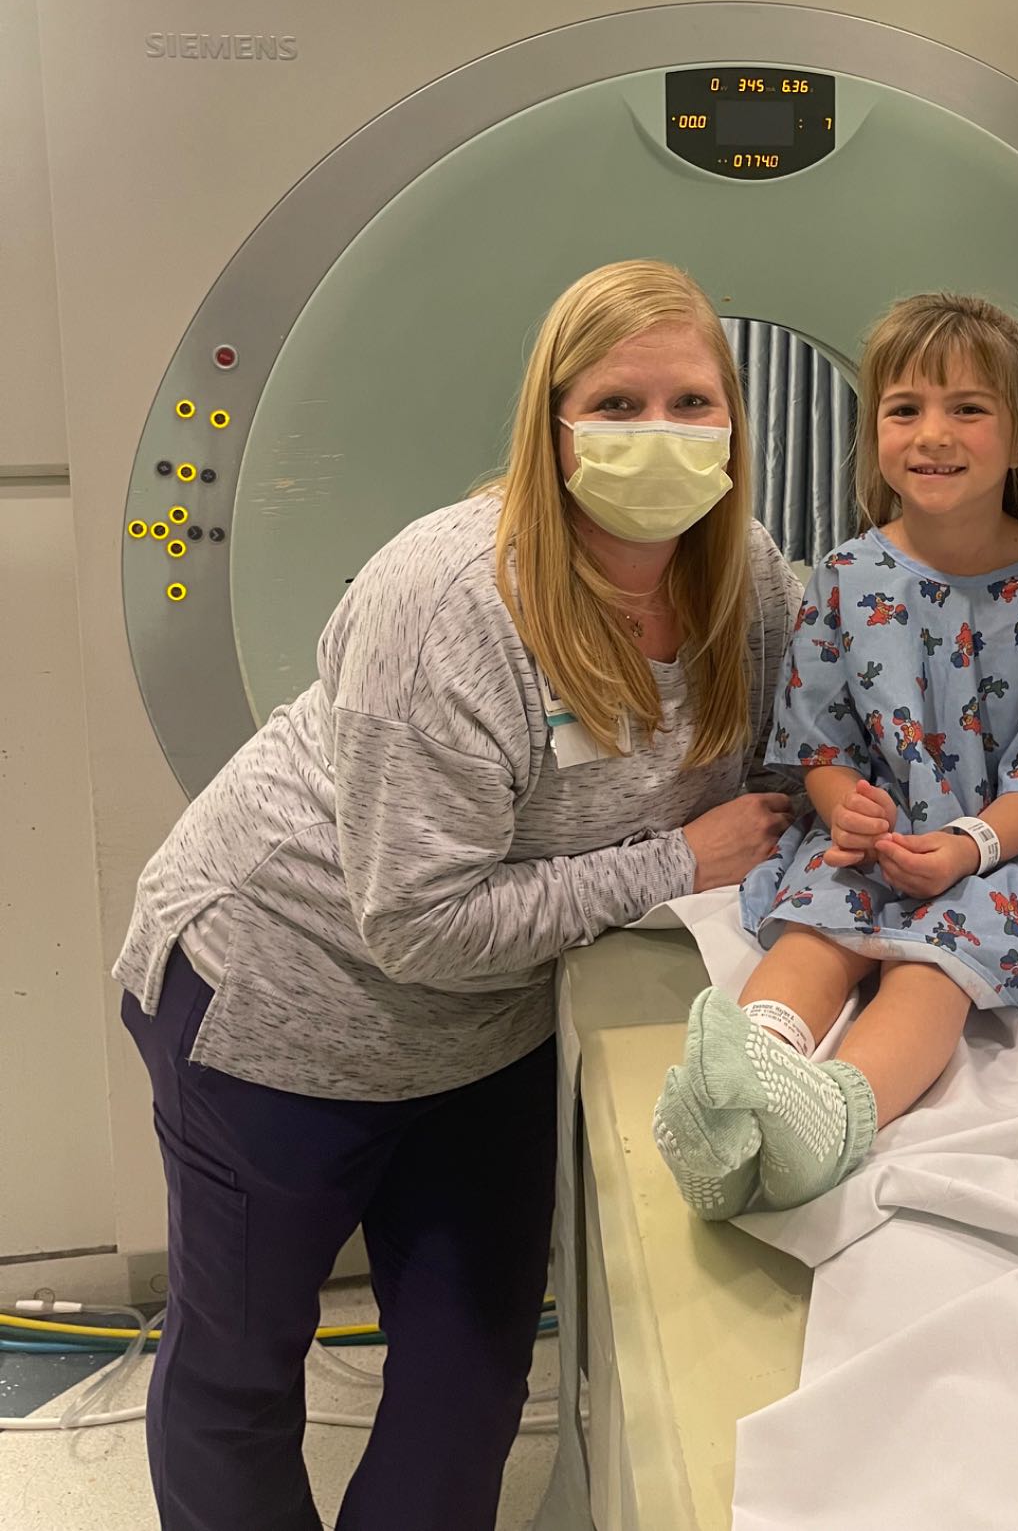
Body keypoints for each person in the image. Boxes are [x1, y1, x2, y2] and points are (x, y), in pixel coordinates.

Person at [114, 260, 799, 1531]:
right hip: (277, 1001)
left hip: (488, 1023)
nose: (659, 434)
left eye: (692, 403)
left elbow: (787, 760)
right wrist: (672, 864)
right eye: (617, 404)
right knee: (239, 1370)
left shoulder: (744, 580)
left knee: (471, 1373)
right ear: (553, 424)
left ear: (733, 423)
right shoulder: (450, 602)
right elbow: (417, 921)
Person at [653, 293, 1018, 1222]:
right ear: (874, 430)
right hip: (875, 834)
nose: (933, 433)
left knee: (939, 955)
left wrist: (968, 845)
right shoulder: (846, 577)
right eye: (905, 408)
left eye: (968, 407)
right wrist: (844, 804)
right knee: (818, 920)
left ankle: (833, 1114)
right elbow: (820, 740)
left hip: (1009, 847)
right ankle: (740, 1083)